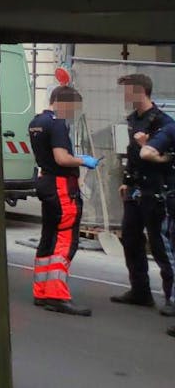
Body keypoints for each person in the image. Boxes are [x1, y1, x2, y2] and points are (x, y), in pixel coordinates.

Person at [29, 84, 98, 316]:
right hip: (61, 186)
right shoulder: (58, 123)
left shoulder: (36, 122)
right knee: (66, 240)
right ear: (62, 102)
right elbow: (61, 158)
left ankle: (41, 290)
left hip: (46, 181)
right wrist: (83, 161)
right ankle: (57, 294)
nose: (72, 112)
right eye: (72, 107)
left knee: (48, 236)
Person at [110, 74, 174, 312]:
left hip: (157, 191)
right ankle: (140, 291)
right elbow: (132, 155)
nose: (124, 96)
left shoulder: (163, 123)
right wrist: (127, 180)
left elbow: (164, 159)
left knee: (161, 245)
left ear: (140, 91)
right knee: (130, 238)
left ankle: (171, 297)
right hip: (136, 190)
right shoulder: (133, 121)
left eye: (127, 91)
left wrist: (145, 146)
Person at [133, 107, 175, 336]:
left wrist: (161, 156)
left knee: (166, 250)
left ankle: (171, 298)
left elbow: (146, 153)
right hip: (159, 191)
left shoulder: (168, 128)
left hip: (164, 194)